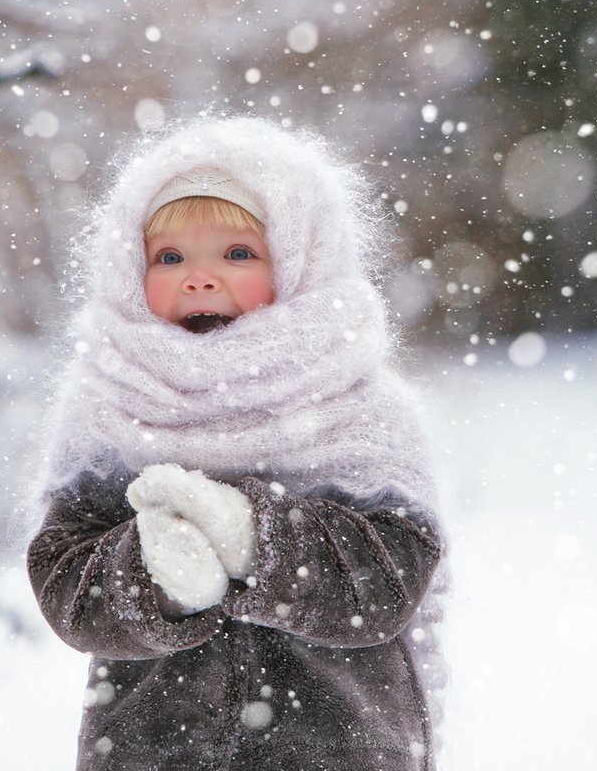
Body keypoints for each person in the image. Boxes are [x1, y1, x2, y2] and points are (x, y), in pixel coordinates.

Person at [26, 115, 446, 770]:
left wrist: (259, 541)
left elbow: (388, 583)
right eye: (170, 257)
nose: (199, 277)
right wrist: (152, 578)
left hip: (338, 751)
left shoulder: (359, 407)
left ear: (301, 261)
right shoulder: (107, 409)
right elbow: (66, 586)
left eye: (237, 253)